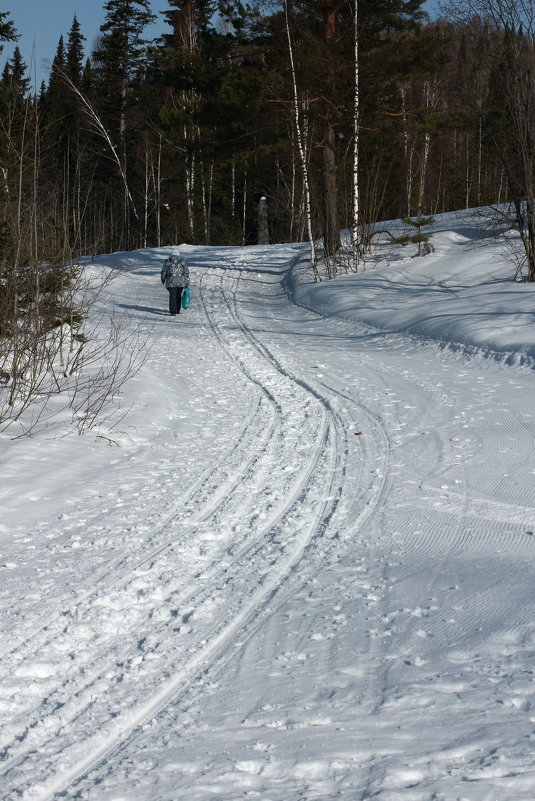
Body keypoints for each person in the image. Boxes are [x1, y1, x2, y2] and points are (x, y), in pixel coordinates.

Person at [161, 249, 189, 316]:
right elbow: (186, 272)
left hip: (171, 282)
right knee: (178, 295)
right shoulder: (182, 261)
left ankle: (173, 311)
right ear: (179, 254)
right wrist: (187, 282)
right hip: (181, 282)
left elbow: (164, 271)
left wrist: (163, 279)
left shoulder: (167, 261)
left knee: (172, 296)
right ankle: (177, 310)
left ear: (171, 254)